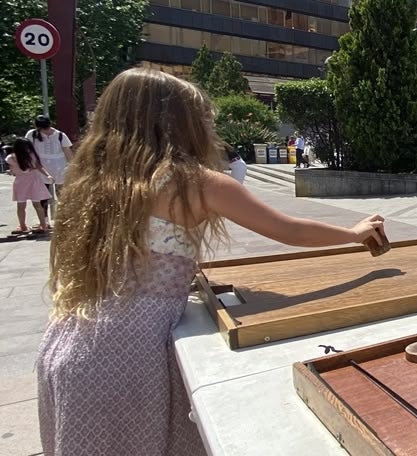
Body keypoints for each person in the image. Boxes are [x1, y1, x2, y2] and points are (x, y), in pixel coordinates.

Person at [36, 68, 386, 456]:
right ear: (180, 124)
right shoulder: (195, 183)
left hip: (71, 343)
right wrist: (354, 234)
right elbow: (292, 231)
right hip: (133, 354)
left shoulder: (89, 181)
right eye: (202, 117)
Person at [26, 115, 73, 222]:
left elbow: (67, 151)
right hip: (41, 167)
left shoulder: (60, 135)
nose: (45, 130)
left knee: (62, 193)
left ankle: (64, 218)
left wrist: (73, 166)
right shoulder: (32, 134)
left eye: (46, 127)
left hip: (60, 167)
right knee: (43, 195)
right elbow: (27, 150)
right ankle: (45, 221)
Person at [6, 138, 53, 233]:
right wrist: (47, 175)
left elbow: (13, 171)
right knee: (32, 205)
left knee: (25, 205)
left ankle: (30, 226)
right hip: (30, 181)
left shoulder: (11, 158)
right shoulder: (28, 156)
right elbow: (38, 167)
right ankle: (38, 225)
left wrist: (47, 175)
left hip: (24, 182)